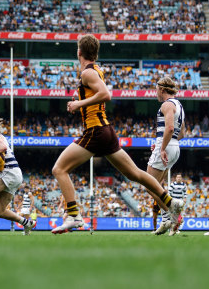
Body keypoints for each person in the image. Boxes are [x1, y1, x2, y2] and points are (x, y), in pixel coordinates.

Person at [51, 35, 184, 234]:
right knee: (135, 174)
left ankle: (73, 216)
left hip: (95, 130)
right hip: (106, 131)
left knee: (59, 169)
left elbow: (106, 94)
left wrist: (79, 103)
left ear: (79, 52)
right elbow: (97, 95)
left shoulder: (88, 73)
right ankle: (171, 202)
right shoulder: (95, 70)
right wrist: (80, 98)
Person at [147, 77, 186, 235]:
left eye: (156, 89)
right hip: (175, 145)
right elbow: (181, 132)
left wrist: (162, 147)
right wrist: (166, 144)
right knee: (158, 185)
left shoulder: (167, 104)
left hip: (167, 146)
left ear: (162, 89)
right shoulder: (179, 105)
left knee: (148, 185)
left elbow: (169, 128)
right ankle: (166, 220)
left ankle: (172, 213)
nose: (155, 93)